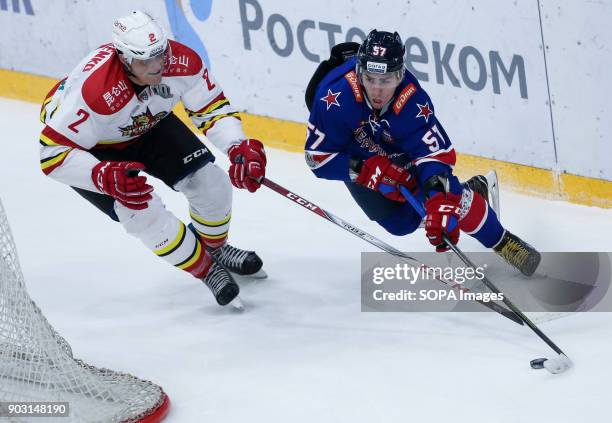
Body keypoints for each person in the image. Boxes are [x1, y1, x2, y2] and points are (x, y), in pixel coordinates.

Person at [39, 11, 268, 307]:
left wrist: (237, 147)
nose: (157, 66)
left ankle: (216, 249)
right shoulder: (94, 92)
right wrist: (100, 175)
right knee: (141, 213)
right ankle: (207, 270)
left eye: (160, 55)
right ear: (123, 58)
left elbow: (212, 108)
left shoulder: (182, 62)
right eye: (144, 61)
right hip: (94, 149)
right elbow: (51, 155)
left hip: (145, 123)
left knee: (212, 184)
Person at [304, 30, 541, 276]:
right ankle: (468, 192)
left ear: (399, 76)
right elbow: (317, 160)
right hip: (356, 151)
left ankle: (502, 241)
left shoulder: (411, 99)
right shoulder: (333, 99)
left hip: (397, 148)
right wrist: (366, 171)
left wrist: (438, 198)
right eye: (370, 78)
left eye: (385, 81)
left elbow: (433, 157)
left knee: (444, 194)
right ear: (359, 72)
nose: (376, 89)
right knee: (399, 224)